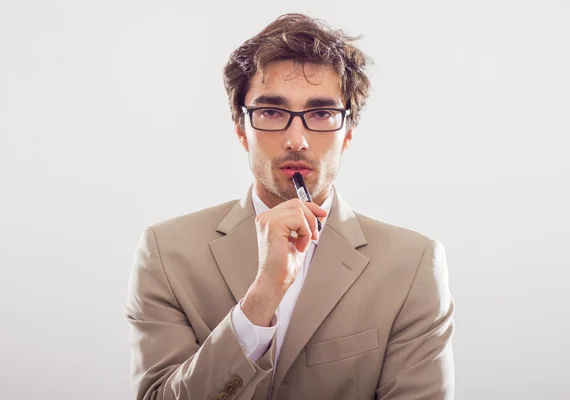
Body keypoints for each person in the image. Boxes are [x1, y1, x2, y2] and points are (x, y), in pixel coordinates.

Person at [125, 12, 455, 400]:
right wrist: (262, 297)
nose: (296, 140)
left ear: (347, 133)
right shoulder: (166, 253)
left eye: (321, 114)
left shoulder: (412, 265)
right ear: (240, 129)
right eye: (271, 112)